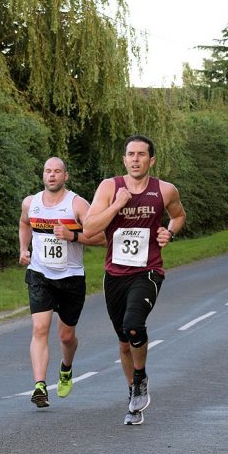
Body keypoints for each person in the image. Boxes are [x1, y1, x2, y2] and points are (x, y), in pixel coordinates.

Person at [82, 135, 186, 426]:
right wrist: (117, 205)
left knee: (133, 325)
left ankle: (140, 377)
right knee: (124, 342)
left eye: (142, 154)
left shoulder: (164, 190)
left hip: (148, 270)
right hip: (115, 274)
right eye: (131, 154)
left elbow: (178, 216)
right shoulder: (109, 187)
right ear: (124, 159)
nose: (136, 159)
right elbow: (89, 228)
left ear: (151, 160)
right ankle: (133, 395)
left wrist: (170, 231)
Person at [19, 157, 105, 408]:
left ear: (66, 176)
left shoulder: (77, 204)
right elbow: (24, 223)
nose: (52, 175)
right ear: (43, 175)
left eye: (57, 172)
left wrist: (72, 235)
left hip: (71, 278)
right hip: (40, 274)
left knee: (66, 336)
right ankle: (39, 386)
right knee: (39, 329)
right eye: (48, 171)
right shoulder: (30, 203)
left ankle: (66, 368)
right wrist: (24, 248)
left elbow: (101, 237)